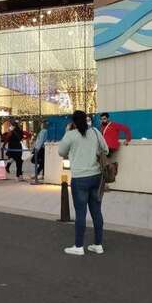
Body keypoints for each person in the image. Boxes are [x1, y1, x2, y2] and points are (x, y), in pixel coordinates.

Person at [58, 110, 109, 256]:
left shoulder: (71, 134)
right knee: (96, 211)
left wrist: (67, 132)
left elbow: (61, 152)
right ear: (87, 120)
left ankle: (79, 246)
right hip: (97, 176)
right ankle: (98, 245)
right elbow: (105, 149)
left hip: (80, 178)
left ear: (73, 122)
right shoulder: (94, 132)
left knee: (81, 213)